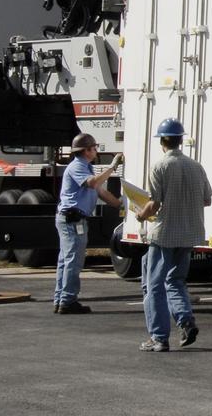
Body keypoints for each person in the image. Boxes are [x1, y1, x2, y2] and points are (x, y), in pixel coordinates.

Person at [135, 118, 212, 352]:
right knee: (176, 281)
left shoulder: (160, 166)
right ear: (181, 140)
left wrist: (140, 214)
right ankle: (186, 321)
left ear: (162, 142)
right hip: (189, 233)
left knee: (154, 286)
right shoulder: (196, 166)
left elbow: (154, 204)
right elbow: (207, 200)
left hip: (165, 234)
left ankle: (159, 337)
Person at [54, 133, 124, 314]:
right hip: (73, 219)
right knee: (73, 261)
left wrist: (120, 204)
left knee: (65, 260)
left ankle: (61, 299)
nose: (96, 151)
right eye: (94, 148)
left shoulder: (86, 167)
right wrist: (112, 167)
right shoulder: (78, 166)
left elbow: (101, 192)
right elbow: (93, 184)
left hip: (71, 218)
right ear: (86, 151)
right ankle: (67, 301)